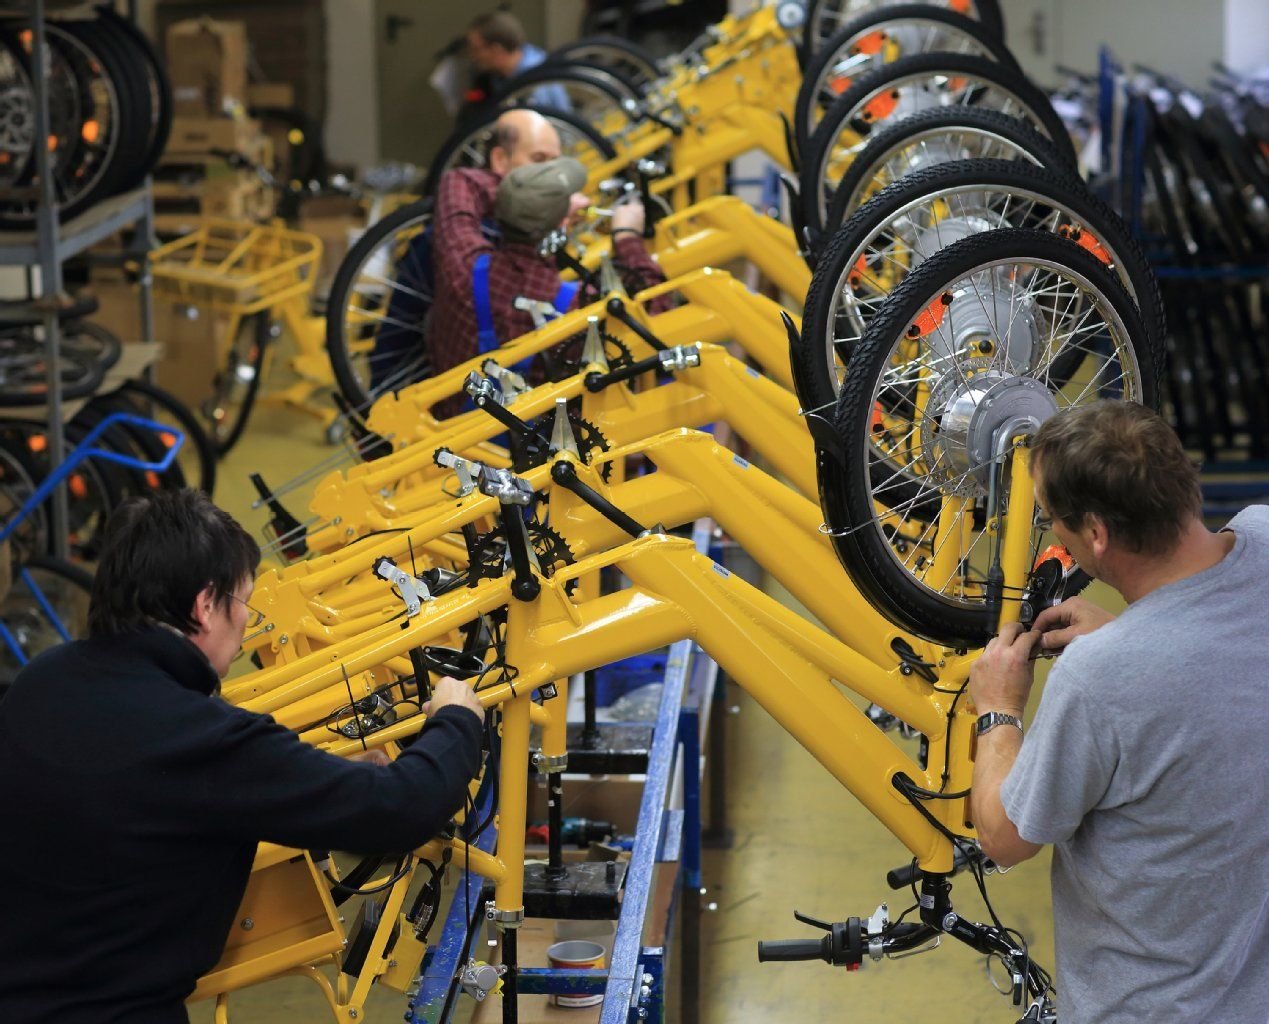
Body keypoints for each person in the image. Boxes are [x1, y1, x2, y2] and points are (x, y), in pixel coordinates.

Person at [0, 489, 486, 1022]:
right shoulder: (198, 737)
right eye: (244, 604)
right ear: (205, 607)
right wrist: (456, 718)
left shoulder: (39, 684)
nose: (246, 628)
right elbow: (400, 808)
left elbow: (135, 799)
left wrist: (322, 784)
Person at [968, 401, 1268, 1023]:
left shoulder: (1098, 680)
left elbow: (1003, 836)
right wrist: (1134, 636)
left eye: (1054, 521)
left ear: (1096, 534)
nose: (1054, 537)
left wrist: (999, 710)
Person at [427, 108, 664, 414]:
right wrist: (627, 237)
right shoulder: (573, 308)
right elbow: (656, 311)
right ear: (560, 223)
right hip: (537, 453)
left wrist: (525, 192)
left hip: (460, 434)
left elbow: (458, 184)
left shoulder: (461, 265)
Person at [465, 11, 569, 110]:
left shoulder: (535, 83)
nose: (473, 56)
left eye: (476, 49)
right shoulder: (499, 75)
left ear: (496, 50)